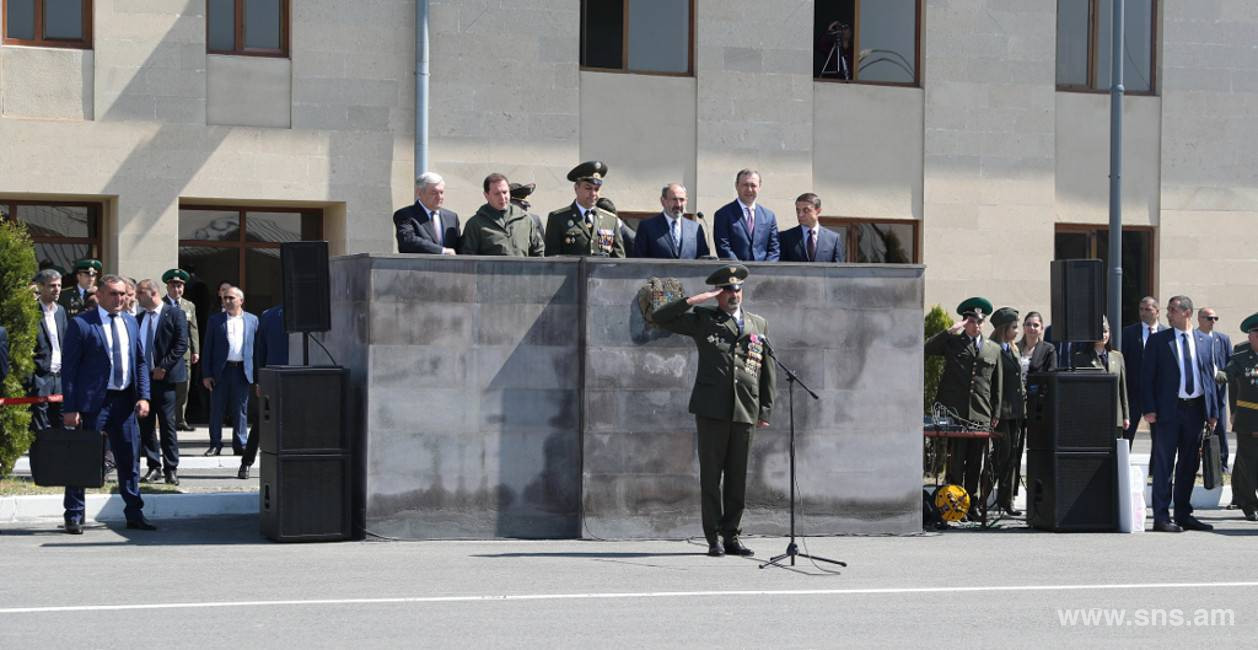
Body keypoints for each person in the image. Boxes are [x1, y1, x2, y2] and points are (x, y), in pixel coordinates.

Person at [651, 264, 775, 557]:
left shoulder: (758, 324)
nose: (734, 294)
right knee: (711, 477)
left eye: (737, 289)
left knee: (737, 477)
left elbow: (767, 369)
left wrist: (765, 409)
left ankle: (732, 535)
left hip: (745, 408)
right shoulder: (704, 319)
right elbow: (659, 317)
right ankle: (714, 538)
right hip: (712, 409)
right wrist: (696, 300)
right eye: (727, 290)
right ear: (718, 293)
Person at [60, 274, 154, 534]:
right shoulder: (81, 324)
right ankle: (74, 514)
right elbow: (70, 370)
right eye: (113, 293)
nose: (119, 298)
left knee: (129, 459)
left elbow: (140, 362)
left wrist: (143, 396)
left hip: (125, 402)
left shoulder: (131, 322)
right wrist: (70, 408)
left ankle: (134, 513)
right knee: (84, 459)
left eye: (123, 294)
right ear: (99, 295)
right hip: (93, 405)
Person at [1141, 295, 1219, 532]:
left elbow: (1208, 379)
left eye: (1172, 310)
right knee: (1164, 463)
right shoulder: (1159, 341)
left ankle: (1184, 514)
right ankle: (1161, 517)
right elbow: (1147, 377)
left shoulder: (1203, 341)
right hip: (1168, 410)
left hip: (1195, 410)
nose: (1167, 314)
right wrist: (1149, 408)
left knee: (1189, 463)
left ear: (1186, 313)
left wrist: (1212, 412)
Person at [924, 297, 1002, 518]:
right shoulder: (953, 343)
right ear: (964, 321)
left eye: (980, 321)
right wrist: (949, 331)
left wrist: (995, 413)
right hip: (956, 413)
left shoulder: (993, 349)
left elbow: (997, 384)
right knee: (956, 461)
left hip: (980, 412)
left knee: (976, 463)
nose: (976, 325)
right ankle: (955, 503)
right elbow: (927, 348)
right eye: (971, 320)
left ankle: (972, 503)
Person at [136, 279, 189, 486]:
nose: (137, 297)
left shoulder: (175, 314)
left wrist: (163, 367)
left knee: (167, 424)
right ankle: (153, 465)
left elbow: (181, 344)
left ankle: (171, 468)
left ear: (152, 293)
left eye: (140, 293)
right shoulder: (139, 318)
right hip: (144, 380)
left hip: (165, 379)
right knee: (146, 424)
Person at [201, 286, 258, 455]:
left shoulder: (253, 320)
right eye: (225, 298)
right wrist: (206, 374)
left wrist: (257, 373)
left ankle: (240, 444)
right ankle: (215, 444)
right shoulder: (215, 320)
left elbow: (257, 347)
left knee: (240, 409)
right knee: (217, 408)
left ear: (241, 300)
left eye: (231, 298)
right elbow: (208, 348)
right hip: (221, 371)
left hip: (242, 370)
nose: (227, 301)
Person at [1217, 313, 1258, 520]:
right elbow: (1227, 374)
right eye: (1253, 334)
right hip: (1249, 419)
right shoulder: (1242, 356)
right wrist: (1216, 375)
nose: (1254, 338)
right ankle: (1249, 504)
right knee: (1248, 463)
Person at [239, 305, 287, 479]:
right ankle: (246, 462)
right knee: (262, 421)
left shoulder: (271, 315)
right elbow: (260, 349)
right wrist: (259, 379)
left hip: (295, 374)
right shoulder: (269, 315)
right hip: (274, 375)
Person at [545, 161, 625, 257]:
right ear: (576, 188)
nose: (593, 194)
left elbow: (619, 260)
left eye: (597, 189)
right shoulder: (558, 218)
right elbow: (551, 260)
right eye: (588, 188)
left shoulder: (610, 219)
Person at [988, 307, 1025, 517]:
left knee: (1012, 456)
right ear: (1003, 328)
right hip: (1001, 411)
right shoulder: (993, 348)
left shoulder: (1014, 349)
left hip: (1016, 411)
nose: (1017, 330)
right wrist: (994, 411)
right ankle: (982, 496)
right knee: (1001, 455)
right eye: (1014, 326)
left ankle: (1006, 499)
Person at [1070, 317, 1130, 438]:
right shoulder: (1081, 357)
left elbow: (1123, 389)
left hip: (1115, 416)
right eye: (1099, 331)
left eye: (1105, 331)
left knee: (1115, 453)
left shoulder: (1117, 356)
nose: (1103, 335)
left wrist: (1126, 416)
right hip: (1092, 416)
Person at [459, 173, 545, 257]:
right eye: (497, 194)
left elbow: (538, 253)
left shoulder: (525, 220)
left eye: (505, 192)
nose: (502, 197)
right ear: (486, 195)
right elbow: (468, 259)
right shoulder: (475, 224)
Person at [1120, 296, 1162, 445]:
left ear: (1157, 311)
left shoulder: (1166, 334)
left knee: (1159, 439)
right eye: (1141, 309)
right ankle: (1121, 468)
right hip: (1133, 394)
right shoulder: (1128, 333)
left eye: (1148, 309)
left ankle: (1156, 469)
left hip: (1158, 395)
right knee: (1126, 437)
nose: (1143, 313)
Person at [713, 169, 780, 261]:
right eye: (745, 185)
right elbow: (723, 247)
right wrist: (740, 269)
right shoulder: (723, 214)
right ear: (736, 186)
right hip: (736, 272)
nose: (749, 189)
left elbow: (774, 249)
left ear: (759, 187)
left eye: (753, 185)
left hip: (764, 272)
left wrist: (765, 269)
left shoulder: (769, 216)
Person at [30, 269, 67, 432]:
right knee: (39, 425)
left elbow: (64, 342)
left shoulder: (61, 311)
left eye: (59, 285)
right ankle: (39, 457)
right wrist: (31, 378)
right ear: (41, 287)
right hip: (40, 376)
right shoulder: (32, 311)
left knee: (59, 422)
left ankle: (59, 458)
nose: (57, 289)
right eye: (52, 285)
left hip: (59, 376)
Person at [632, 183, 710, 259]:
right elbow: (639, 261)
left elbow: (703, 259)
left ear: (686, 201)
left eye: (682, 200)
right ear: (663, 201)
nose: (678, 205)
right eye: (674, 199)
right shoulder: (647, 227)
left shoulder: (696, 229)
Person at [163, 269, 199, 432]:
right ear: (167, 287)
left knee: (184, 387)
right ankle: (167, 418)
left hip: (184, 352)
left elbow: (193, 329)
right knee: (166, 387)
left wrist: (195, 350)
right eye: (173, 286)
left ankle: (180, 419)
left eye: (180, 286)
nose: (177, 290)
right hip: (166, 353)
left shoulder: (189, 305)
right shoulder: (161, 304)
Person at [1198, 307, 1233, 471]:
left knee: (1220, 429)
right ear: (1199, 319)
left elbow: (1231, 365)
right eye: (1209, 318)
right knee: (1197, 429)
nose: (1213, 322)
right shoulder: (1193, 337)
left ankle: (1222, 464)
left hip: (1218, 390)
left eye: (1215, 319)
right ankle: (1197, 463)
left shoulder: (1223, 339)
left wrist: (1221, 376)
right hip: (1199, 390)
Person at [394, 171, 460, 255]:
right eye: (434, 193)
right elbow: (408, 241)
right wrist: (442, 251)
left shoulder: (451, 217)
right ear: (419, 192)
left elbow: (458, 247)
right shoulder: (405, 215)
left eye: (441, 192)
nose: (439, 197)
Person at [779, 193, 844, 262]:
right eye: (798, 210)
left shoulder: (833, 239)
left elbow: (838, 270)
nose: (800, 215)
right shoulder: (785, 237)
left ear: (818, 211)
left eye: (806, 210)